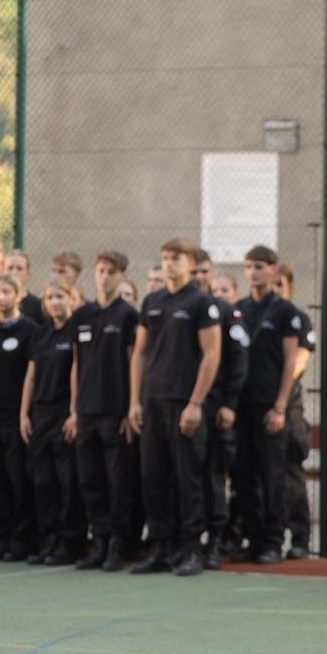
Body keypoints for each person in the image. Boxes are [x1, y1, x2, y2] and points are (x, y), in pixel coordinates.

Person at [128, 238, 222, 576]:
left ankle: (191, 549)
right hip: (152, 402)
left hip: (184, 403)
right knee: (153, 477)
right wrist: (134, 401)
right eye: (165, 258)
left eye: (176, 258)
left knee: (188, 479)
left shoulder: (201, 302)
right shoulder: (152, 301)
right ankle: (162, 548)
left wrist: (196, 403)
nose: (169, 263)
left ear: (189, 262)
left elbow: (212, 354)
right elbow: (139, 353)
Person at [69, 251, 141, 571]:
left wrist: (130, 407)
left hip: (115, 412)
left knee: (118, 482)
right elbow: (75, 364)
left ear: (122, 276)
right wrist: (73, 410)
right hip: (86, 412)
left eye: (112, 272)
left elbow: (132, 361)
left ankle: (117, 546)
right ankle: (99, 543)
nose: (106, 276)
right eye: (101, 271)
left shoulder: (128, 315)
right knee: (90, 480)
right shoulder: (82, 314)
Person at [232, 246, 300, 564]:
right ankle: (253, 538)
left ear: (272, 270)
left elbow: (290, 361)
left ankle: (273, 540)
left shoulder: (285, 311)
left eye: (259, 266)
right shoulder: (239, 309)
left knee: (272, 476)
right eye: (248, 267)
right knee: (243, 475)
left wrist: (280, 406)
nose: (253, 272)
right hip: (241, 405)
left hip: (269, 404)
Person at [19, 281, 84, 564]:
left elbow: (76, 371)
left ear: (71, 299)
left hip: (63, 414)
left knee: (66, 482)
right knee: (43, 481)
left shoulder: (75, 332)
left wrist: (74, 412)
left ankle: (69, 542)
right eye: (50, 298)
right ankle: (48, 540)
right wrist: (24, 414)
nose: (54, 302)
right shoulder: (40, 333)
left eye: (60, 297)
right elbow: (31, 376)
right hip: (40, 415)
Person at [0, 274, 41, 560]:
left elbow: (31, 374)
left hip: (15, 416)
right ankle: (0, 538)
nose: (0, 297)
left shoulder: (30, 330)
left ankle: (20, 539)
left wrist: (22, 412)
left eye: (6, 292)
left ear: (18, 295)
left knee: (18, 478)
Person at [192, 250, 248, 570]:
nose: (199, 278)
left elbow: (238, 362)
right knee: (185, 478)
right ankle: (186, 541)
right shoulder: (179, 309)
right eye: (194, 272)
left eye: (204, 272)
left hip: (215, 410)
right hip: (184, 408)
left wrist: (229, 403)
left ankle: (214, 542)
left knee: (213, 476)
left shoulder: (226, 312)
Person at [274, 263, 316, 559]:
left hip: (288, 408)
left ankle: (299, 538)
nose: (274, 290)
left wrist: (278, 398)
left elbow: (298, 363)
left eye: (280, 285)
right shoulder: (251, 313)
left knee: (291, 476)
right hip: (255, 406)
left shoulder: (299, 319)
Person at [4, 251, 46, 324]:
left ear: (28, 274)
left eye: (19, 269)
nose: (14, 273)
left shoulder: (37, 305)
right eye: (10, 268)